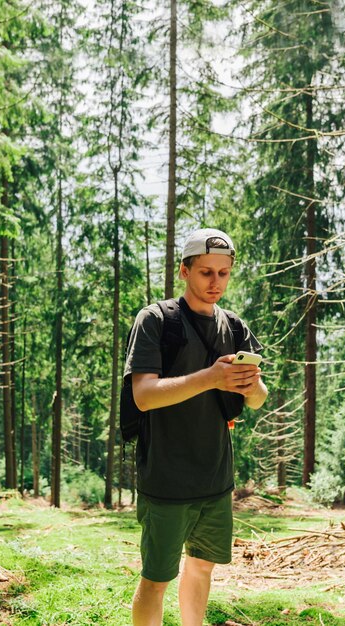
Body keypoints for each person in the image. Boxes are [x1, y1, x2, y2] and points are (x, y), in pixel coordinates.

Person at [124, 228, 268, 626]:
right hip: (166, 479)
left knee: (202, 568)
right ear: (184, 271)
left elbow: (257, 399)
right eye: (206, 272)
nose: (215, 283)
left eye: (223, 273)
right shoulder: (156, 321)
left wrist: (251, 386)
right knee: (156, 580)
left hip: (216, 479)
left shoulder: (234, 327)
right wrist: (211, 378)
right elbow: (144, 395)